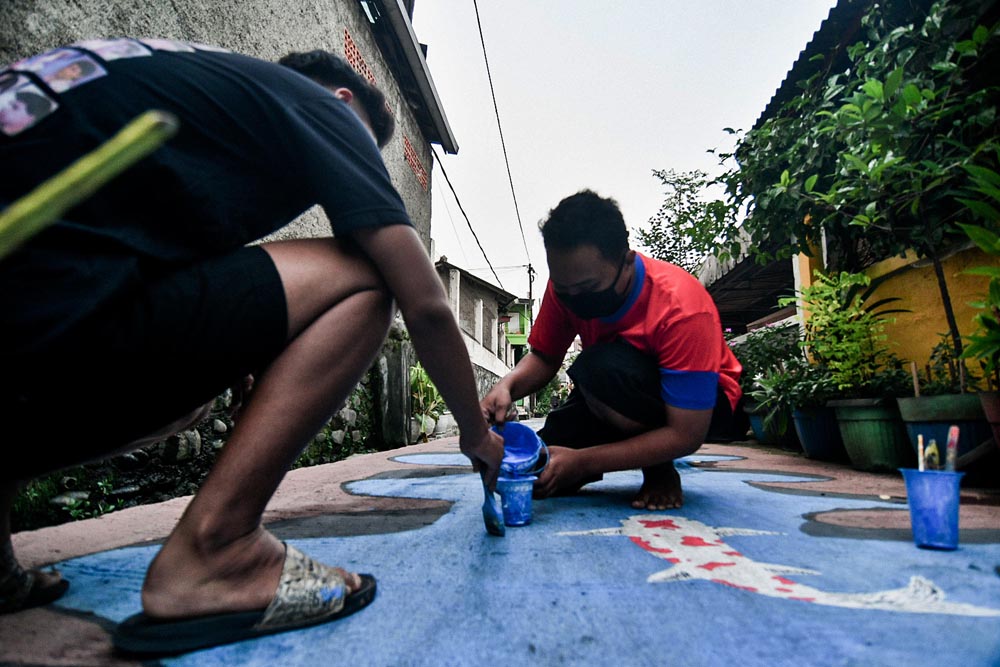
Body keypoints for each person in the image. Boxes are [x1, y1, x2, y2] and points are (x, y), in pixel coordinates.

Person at [0, 40, 503, 654]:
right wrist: (474, 435)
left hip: (28, 326)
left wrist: (237, 351)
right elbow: (423, 302)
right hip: (36, 334)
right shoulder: (321, 108)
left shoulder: (158, 74)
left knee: (190, 398)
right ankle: (219, 550)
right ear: (343, 102)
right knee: (372, 274)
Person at [481, 190, 744, 511]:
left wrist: (584, 462)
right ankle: (620, 452)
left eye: (588, 289)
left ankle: (659, 468)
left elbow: (686, 433)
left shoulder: (682, 307)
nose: (575, 298)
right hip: (611, 393)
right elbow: (545, 357)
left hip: (701, 407)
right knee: (540, 467)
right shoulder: (566, 285)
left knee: (598, 367)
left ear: (627, 260)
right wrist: (506, 387)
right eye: (566, 290)